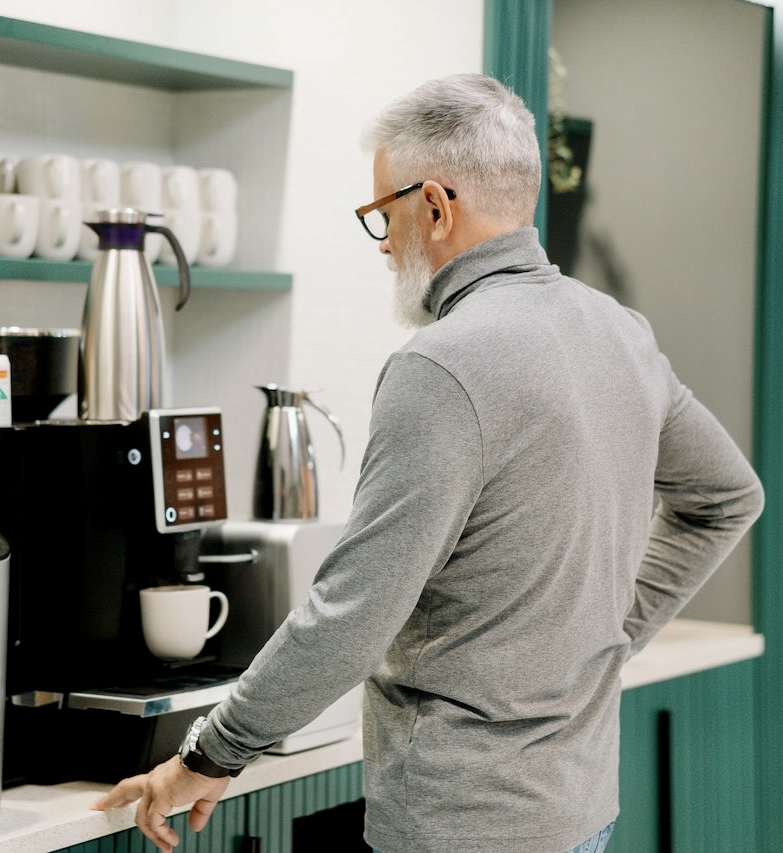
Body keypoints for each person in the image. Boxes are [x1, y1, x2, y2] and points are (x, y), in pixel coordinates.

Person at [93, 73, 764, 853]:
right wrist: (607, 636)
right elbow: (728, 496)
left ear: (436, 206)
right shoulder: (618, 331)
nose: (383, 244)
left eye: (383, 215)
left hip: (461, 824)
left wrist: (211, 752)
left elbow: (352, 614)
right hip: (580, 812)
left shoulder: (440, 365)